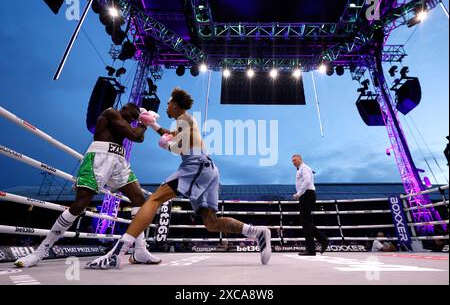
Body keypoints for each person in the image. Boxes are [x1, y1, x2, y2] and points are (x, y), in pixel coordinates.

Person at [86, 88, 272, 269]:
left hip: (195, 166)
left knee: (153, 199)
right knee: (211, 223)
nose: (166, 107)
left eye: (168, 104)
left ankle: (117, 253)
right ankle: (256, 232)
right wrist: (153, 125)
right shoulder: (184, 121)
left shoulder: (184, 119)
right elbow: (173, 135)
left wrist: (167, 146)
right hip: (208, 169)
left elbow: (177, 146)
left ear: (175, 104)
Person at [15, 103, 161, 268]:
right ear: (127, 107)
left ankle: (140, 250)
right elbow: (135, 135)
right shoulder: (111, 112)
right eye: (134, 114)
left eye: (136, 118)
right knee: (79, 205)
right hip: (97, 159)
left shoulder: (127, 123)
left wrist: (143, 124)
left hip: (118, 160)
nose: (135, 118)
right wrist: (144, 123)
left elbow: (139, 138)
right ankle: (40, 251)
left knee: (138, 199)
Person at [292, 154, 329, 256]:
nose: (293, 162)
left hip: (307, 194)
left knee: (305, 222)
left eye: (295, 160)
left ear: (300, 159)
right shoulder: (300, 169)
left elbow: (307, 181)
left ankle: (312, 249)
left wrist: (298, 194)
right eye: (292, 161)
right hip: (306, 195)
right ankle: (322, 240)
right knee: (306, 222)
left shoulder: (305, 168)